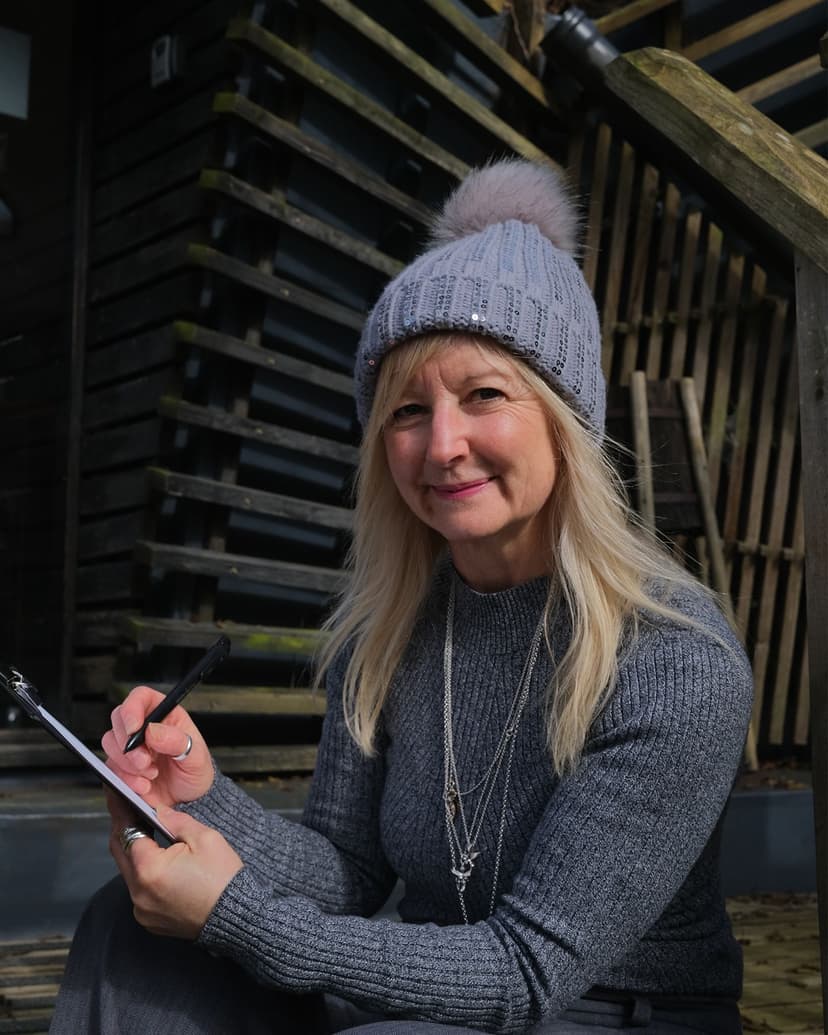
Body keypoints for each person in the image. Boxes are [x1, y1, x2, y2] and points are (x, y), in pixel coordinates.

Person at [50, 159, 753, 1034]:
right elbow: (346, 872)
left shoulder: (675, 657)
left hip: (614, 1011)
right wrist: (199, 793)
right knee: (131, 932)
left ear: (567, 418)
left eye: (484, 394)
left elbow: (527, 971)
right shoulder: (389, 631)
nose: (441, 444)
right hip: (424, 993)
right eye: (407, 410)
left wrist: (234, 914)